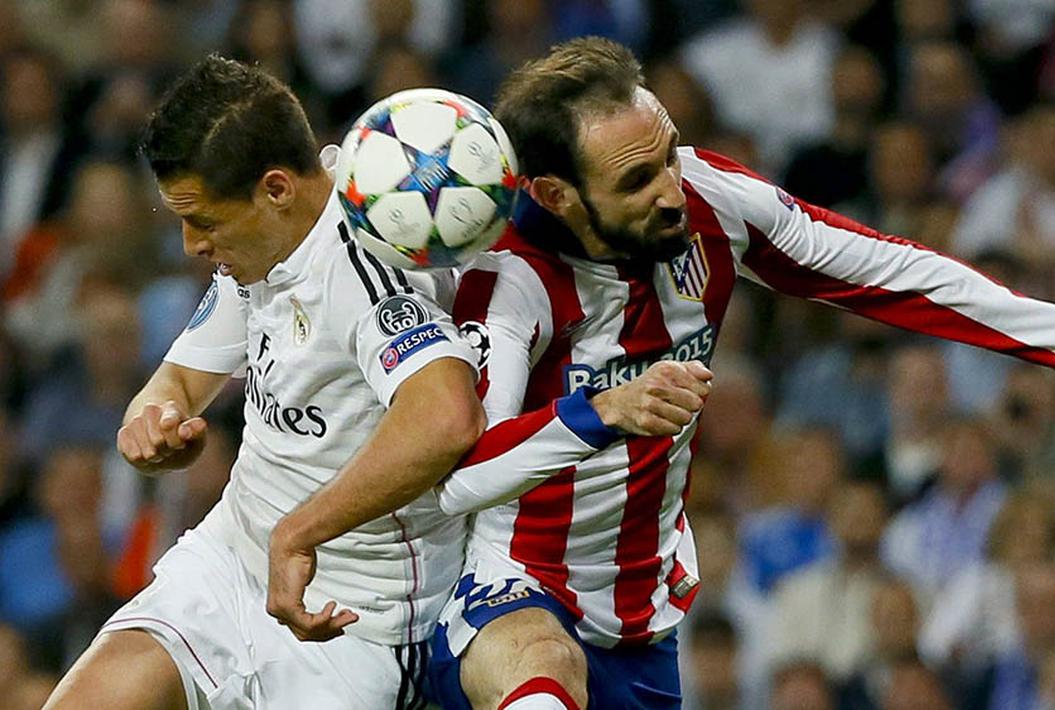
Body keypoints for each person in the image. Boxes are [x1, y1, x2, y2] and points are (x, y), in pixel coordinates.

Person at [427, 37, 1055, 710]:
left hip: (641, 614)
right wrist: (601, 410)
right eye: (637, 181)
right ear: (555, 193)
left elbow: (899, 275)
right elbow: (466, 473)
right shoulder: (507, 281)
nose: (672, 190)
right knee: (541, 675)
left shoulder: (712, 201)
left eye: (667, 154)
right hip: (512, 589)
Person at [43, 55, 710, 710]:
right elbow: (180, 381)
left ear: (276, 189)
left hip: (357, 617)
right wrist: (153, 421)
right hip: (229, 561)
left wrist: (297, 533)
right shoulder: (269, 241)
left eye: (203, 220)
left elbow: (446, 418)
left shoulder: (367, 270)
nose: (191, 243)